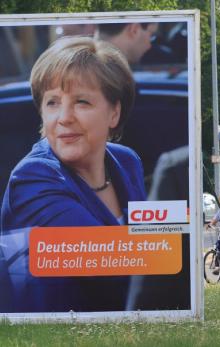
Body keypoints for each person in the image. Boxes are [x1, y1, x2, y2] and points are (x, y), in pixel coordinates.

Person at [0, 36, 146, 312]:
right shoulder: (32, 178)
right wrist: (169, 253)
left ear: (114, 113)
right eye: (52, 102)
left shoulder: (126, 162)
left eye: (81, 102)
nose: (64, 117)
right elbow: (108, 264)